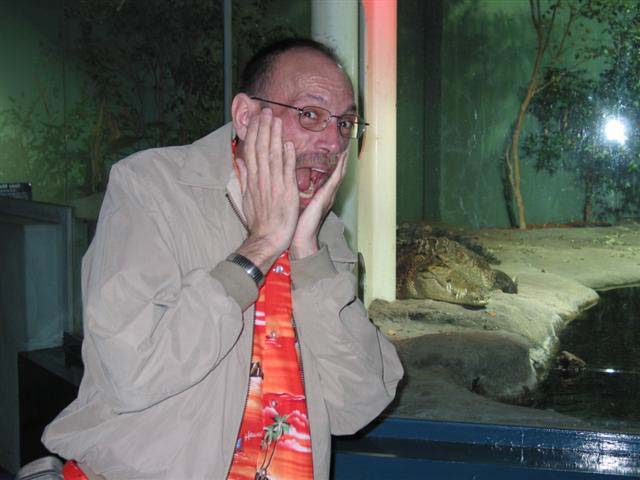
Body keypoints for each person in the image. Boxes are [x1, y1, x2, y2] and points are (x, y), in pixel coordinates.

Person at [42, 38, 403, 480]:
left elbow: (356, 405)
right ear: (247, 117)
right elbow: (131, 374)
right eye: (310, 115)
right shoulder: (152, 188)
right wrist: (259, 247)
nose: (332, 142)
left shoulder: (322, 232)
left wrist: (307, 254)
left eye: (345, 123)